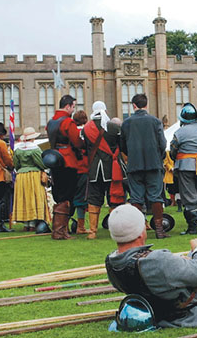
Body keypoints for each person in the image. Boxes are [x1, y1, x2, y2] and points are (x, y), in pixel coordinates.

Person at [120, 93, 169, 239]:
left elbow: (122, 145)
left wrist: (132, 156)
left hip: (135, 165)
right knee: (156, 197)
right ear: (146, 105)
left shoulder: (126, 123)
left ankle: (138, 231)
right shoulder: (155, 121)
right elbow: (162, 143)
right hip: (153, 164)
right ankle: (159, 230)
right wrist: (157, 157)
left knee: (136, 198)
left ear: (133, 105)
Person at [83, 101, 125, 240]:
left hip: (95, 170)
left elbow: (84, 148)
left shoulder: (86, 128)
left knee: (94, 199)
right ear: (105, 110)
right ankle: (116, 230)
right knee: (114, 199)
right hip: (111, 168)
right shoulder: (113, 127)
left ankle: (93, 232)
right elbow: (121, 145)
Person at [45, 95, 85, 239]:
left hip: (54, 158)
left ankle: (59, 230)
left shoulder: (50, 122)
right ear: (67, 106)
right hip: (68, 160)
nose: (74, 109)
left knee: (59, 195)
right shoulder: (68, 122)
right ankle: (60, 231)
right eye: (73, 106)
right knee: (67, 195)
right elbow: (77, 142)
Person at [170, 103, 197, 235]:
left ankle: (192, 227)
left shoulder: (179, 133)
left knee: (189, 197)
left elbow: (173, 150)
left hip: (185, 166)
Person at [12, 127, 50, 231]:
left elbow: (16, 164)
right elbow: (41, 163)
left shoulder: (18, 149)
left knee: (24, 198)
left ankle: (26, 224)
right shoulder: (35, 149)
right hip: (33, 175)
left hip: (21, 176)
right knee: (33, 198)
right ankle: (32, 224)